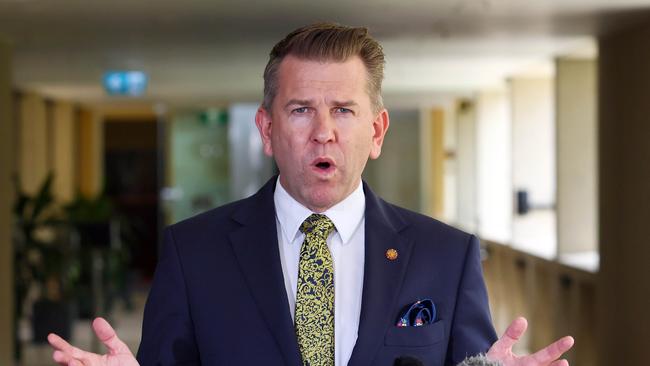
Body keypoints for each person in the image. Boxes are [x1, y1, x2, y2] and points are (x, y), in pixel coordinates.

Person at [48, 23, 574, 366]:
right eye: (301, 110)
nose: (324, 131)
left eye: (343, 110)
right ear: (267, 129)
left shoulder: (447, 256)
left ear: (377, 131)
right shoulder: (193, 252)